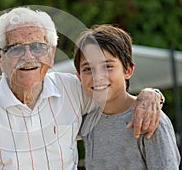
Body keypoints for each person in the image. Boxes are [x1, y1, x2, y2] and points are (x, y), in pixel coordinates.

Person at [0, 7, 164, 170]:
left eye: (37, 47)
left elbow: (117, 98)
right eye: (16, 48)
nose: (28, 57)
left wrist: (151, 94)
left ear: (51, 53)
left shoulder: (73, 89)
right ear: (1, 57)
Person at [74, 24, 180, 169]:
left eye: (108, 66)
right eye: (88, 69)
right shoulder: (84, 120)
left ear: (128, 70)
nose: (98, 76)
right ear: (79, 76)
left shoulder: (149, 119)